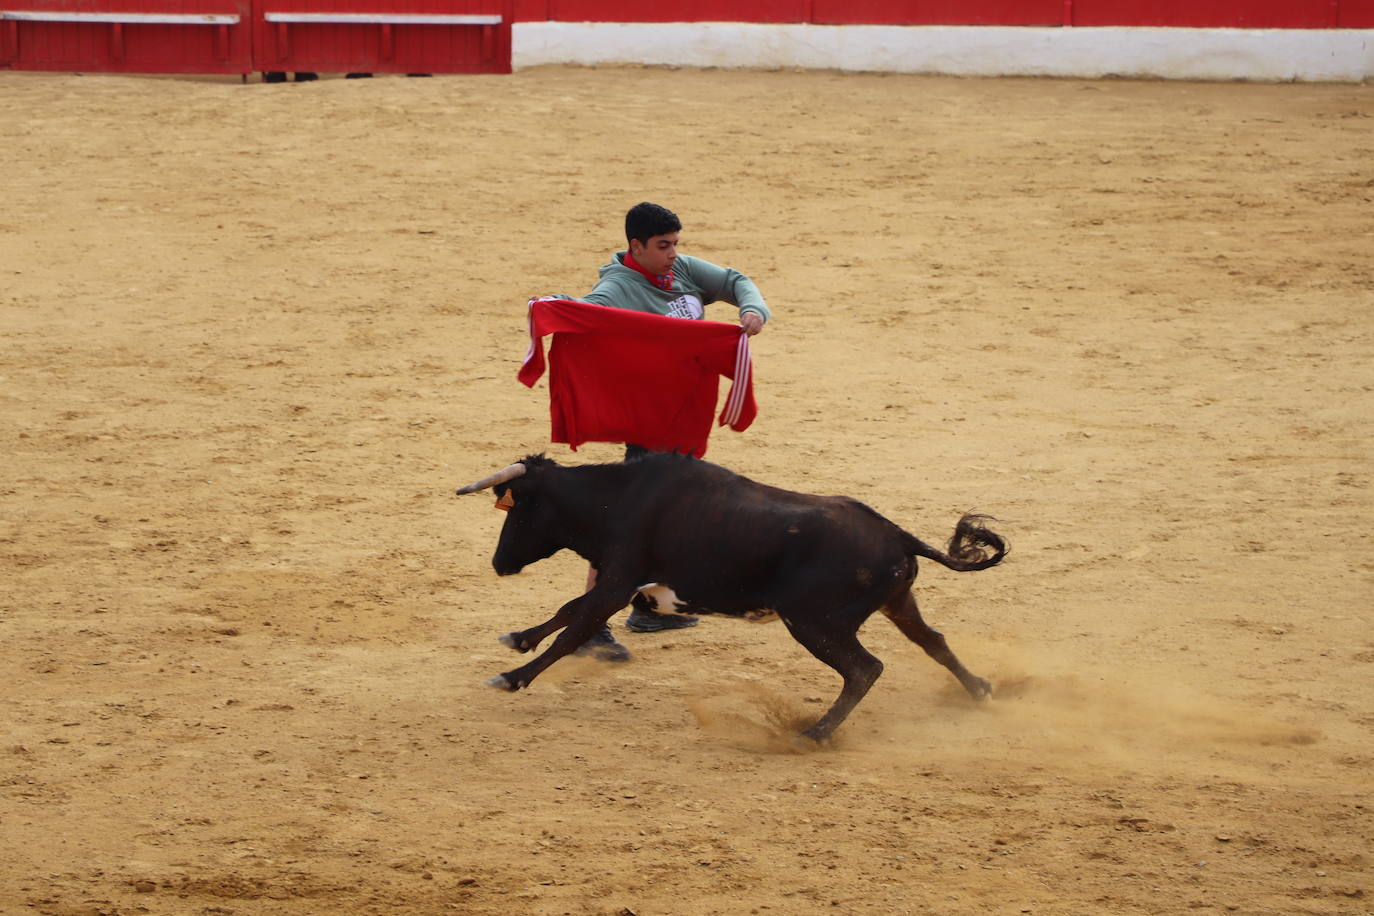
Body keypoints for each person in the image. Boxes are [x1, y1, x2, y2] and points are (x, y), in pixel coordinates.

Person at [549, 202, 770, 661]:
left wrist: (753, 308)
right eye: (663, 246)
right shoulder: (616, 289)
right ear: (637, 246)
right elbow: (590, 315)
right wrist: (562, 309)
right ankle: (588, 628)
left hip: (686, 417)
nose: (673, 253)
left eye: (676, 244)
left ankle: (649, 609)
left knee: (673, 519)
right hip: (650, 424)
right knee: (626, 528)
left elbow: (734, 280)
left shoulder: (682, 271)